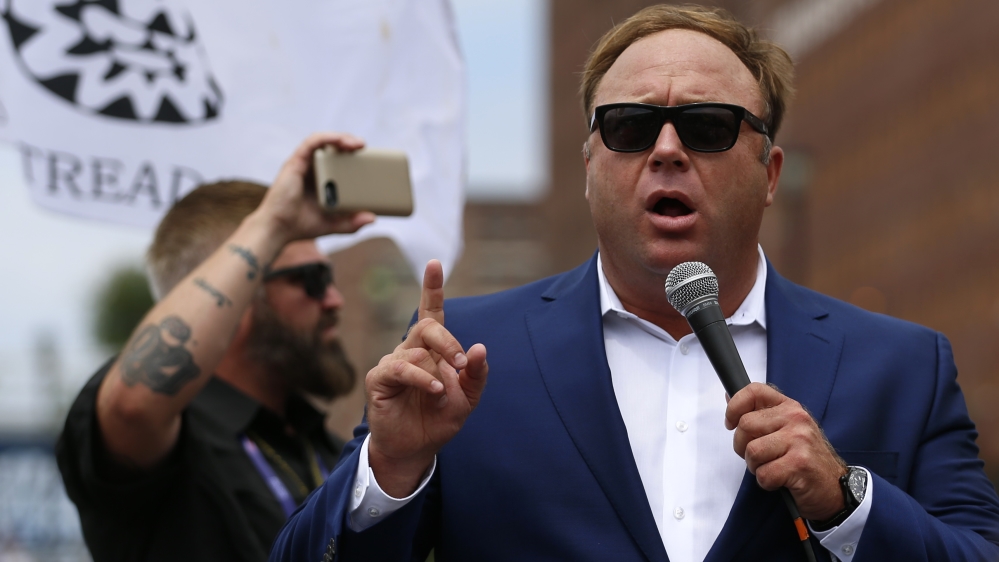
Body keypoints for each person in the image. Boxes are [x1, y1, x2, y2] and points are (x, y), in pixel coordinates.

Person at [270, 5, 999, 562]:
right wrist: (391, 469)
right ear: (590, 168)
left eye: (708, 126)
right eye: (628, 127)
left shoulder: (902, 365)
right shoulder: (461, 354)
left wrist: (846, 503)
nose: (667, 150)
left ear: (770, 173)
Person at [56, 133, 377, 562]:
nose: (335, 300)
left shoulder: (332, 451)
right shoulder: (175, 440)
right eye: (312, 280)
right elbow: (133, 404)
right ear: (237, 298)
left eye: (330, 277)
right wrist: (272, 224)